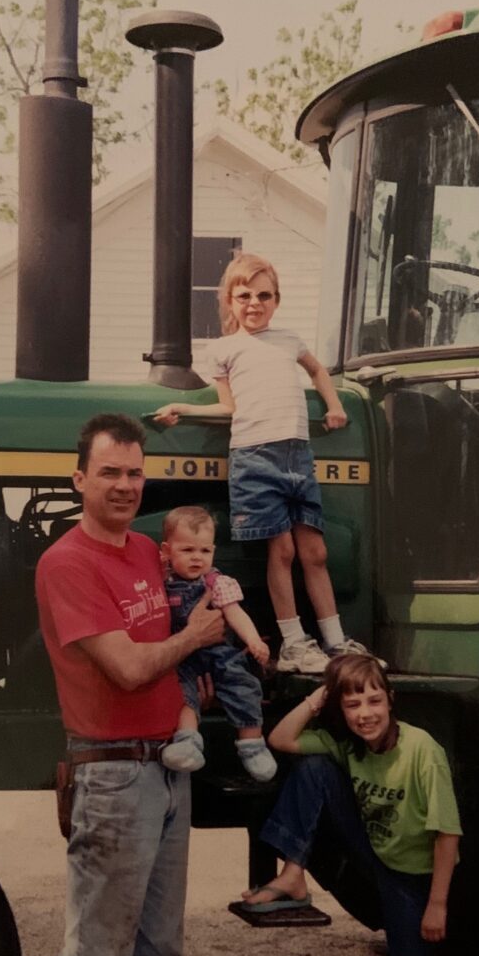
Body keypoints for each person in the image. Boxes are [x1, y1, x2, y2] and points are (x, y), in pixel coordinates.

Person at [35, 412, 225, 956]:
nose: (124, 485)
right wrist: (194, 638)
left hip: (169, 766)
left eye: (134, 473)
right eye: (110, 472)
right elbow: (126, 668)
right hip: (114, 776)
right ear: (79, 480)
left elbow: (159, 652)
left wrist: (191, 688)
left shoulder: (147, 550)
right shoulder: (66, 563)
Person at [154, 252, 370, 674]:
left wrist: (332, 405)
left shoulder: (288, 340)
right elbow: (228, 407)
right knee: (283, 550)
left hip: (297, 454)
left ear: (276, 300)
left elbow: (318, 371)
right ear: (230, 301)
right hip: (256, 455)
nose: (254, 303)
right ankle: (293, 643)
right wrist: (184, 406)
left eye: (264, 295)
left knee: (316, 551)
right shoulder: (223, 350)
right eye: (244, 295)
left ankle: (335, 641)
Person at [241, 653, 461, 956]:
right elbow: (280, 740)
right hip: (374, 852)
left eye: (374, 701)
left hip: (412, 875)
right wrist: (317, 698)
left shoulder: (422, 751)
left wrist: (437, 904)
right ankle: (293, 873)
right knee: (313, 769)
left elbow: (447, 834)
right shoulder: (347, 745)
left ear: (390, 700)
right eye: (352, 705)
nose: (365, 714)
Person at [159, 505, 277, 782]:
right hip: (181, 657)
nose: (197, 558)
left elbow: (235, 614)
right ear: (166, 551)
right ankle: (188, 742)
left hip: (219, 654)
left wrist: (252, 640)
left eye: (205, 551)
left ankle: (252, 745)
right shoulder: (160, 583)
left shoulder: (217, 582)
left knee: (244, 686)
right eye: (187, 550)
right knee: (182, 696)